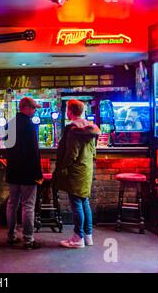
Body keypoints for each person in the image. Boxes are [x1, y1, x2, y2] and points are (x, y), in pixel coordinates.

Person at [53, 99, 100, 248]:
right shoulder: (90, 128)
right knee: (84, 201)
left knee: (76, 203)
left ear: (70, 112)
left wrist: (61, 168)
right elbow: (93, 151)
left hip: (75, 170)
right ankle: (88, 236)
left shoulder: (74, 129)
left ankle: (78, 238)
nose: (66, 112)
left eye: (67, 109)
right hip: (86, 168)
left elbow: (71, 153)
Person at [5, 96, 43, 250]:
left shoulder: (9, 124)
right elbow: (34, 152)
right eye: (33, 108)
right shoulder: (29, 125)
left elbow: (8, 148)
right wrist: (38, 173)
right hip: (27, 171)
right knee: (28, 206)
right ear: (26, 107)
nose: (34, 111)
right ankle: (28, 239)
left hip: (13, 170)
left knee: (12, 204)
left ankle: (11, 236)